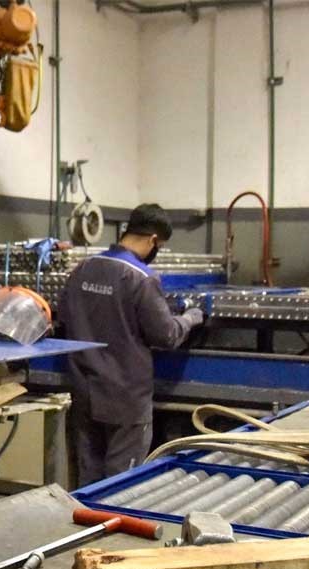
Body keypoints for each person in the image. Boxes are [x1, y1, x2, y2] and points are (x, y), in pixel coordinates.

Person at [57, 204, 205, 485]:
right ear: (153, 240)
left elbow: (63, 316)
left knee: (89, 480)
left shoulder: (83, 268)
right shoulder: (141, 278)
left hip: (84, 392)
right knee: (121, 486)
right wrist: (191, 318)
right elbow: (166, 335)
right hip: (125, 400)